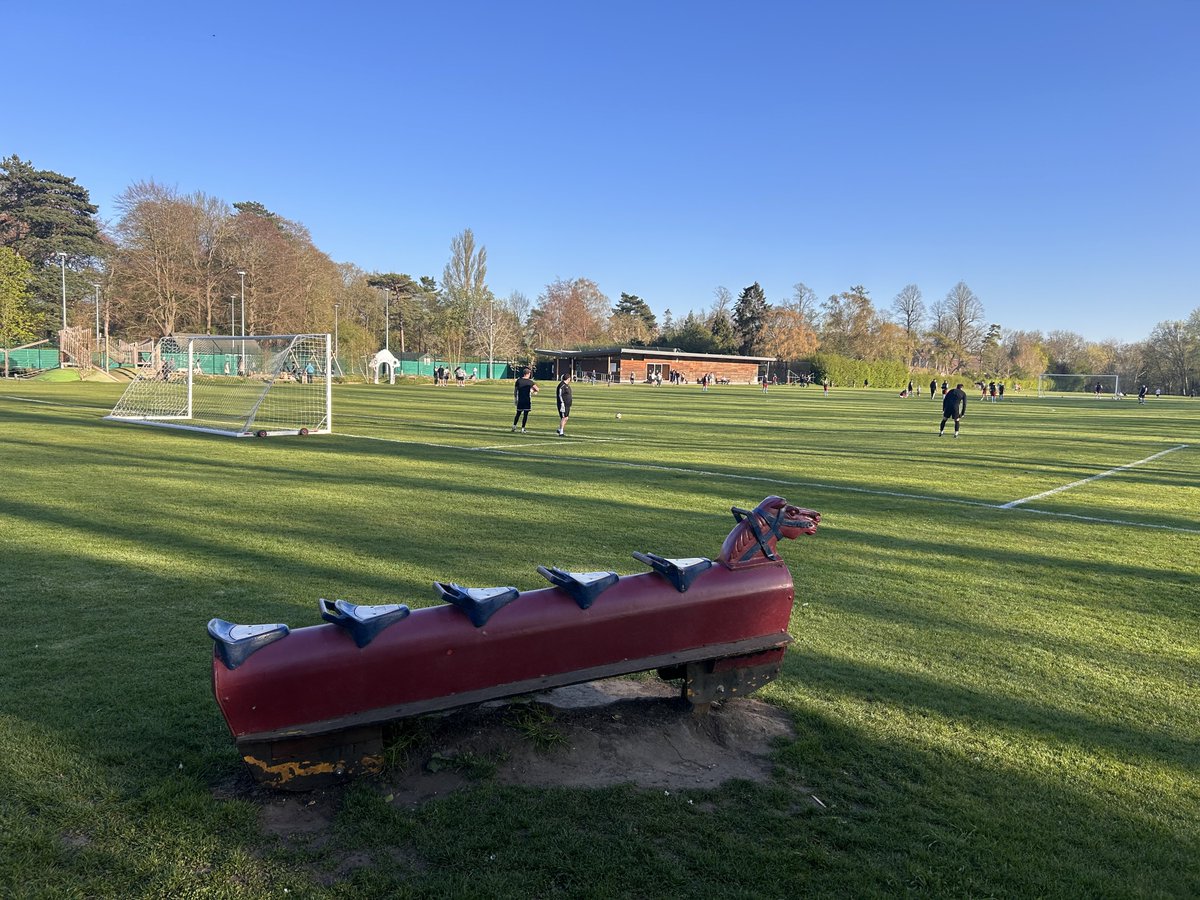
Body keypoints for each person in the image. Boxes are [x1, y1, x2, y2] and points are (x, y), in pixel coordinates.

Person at [512, 368, 539, 432]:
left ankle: (514, 426)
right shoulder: (530, 382)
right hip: (527, 400)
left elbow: (515, 391)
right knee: (525, 414)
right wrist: (532, 391)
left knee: (518, 413)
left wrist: (515, 399)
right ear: (529, 374)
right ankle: (523, 428)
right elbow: (537, 389)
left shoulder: (518, 381)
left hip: (520, 399)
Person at [555, 372, 572, 436]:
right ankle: (561, 432)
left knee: (566, 417)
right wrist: (562, 403)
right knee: (564, 417)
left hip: (567, 404)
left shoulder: (567, 385)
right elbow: (560, 395)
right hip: (563, 404)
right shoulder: (562, 385)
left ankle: (560, 429)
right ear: (568, 378)